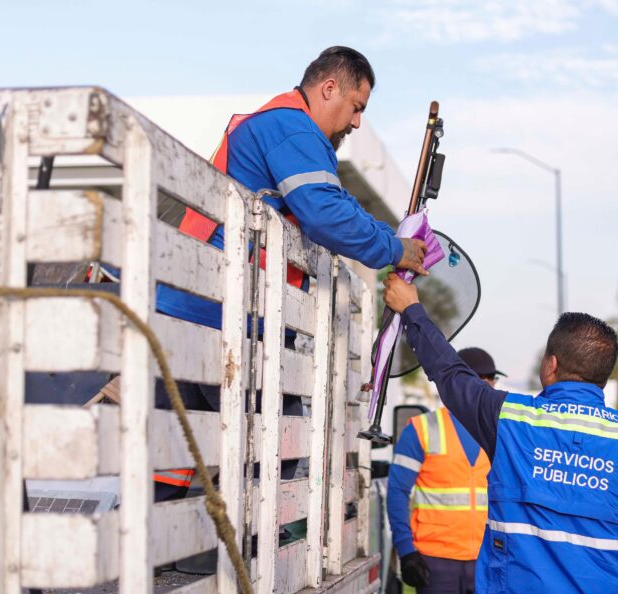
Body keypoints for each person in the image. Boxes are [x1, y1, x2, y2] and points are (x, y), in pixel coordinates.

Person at [382, 274, 618, 594]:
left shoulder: (511, 420)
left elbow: (451, 375)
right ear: (603, 375)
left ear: (551, 364)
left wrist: (412, 310)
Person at [153, 46, 428, 497]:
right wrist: (395, 249)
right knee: (277, 455)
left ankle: (163, 561)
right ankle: (249, 561)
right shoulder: (292, 128)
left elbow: (337, 206)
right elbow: (326, 215)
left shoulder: (279, 129)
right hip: (224, 320)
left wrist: (391, 238)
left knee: (173, 462)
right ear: (329, 88)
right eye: (356, 108)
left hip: (197, 312)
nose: (356, 122)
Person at [388, 348, 504, 594]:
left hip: (488, 564)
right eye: (491, 379)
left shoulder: (502, 431)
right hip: (436, 565)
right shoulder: (422, 429)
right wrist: (407, 552)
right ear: (475, 382)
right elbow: (397, 493)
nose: (494, 387)